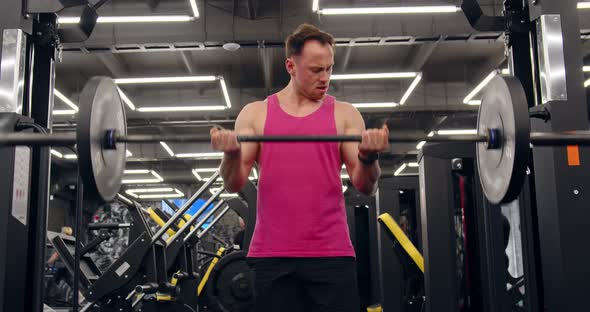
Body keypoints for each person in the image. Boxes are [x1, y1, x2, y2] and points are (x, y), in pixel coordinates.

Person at [210, 23, 389, 312]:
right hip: (272, 255)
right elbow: (233, 183)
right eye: (316, 70)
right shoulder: (256, 114)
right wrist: (230, 154)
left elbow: (366, 186)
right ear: (290, 66)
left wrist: (369, 157)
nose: (325, 78)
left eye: (329, 68)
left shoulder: (345, 115)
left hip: (331, 254)